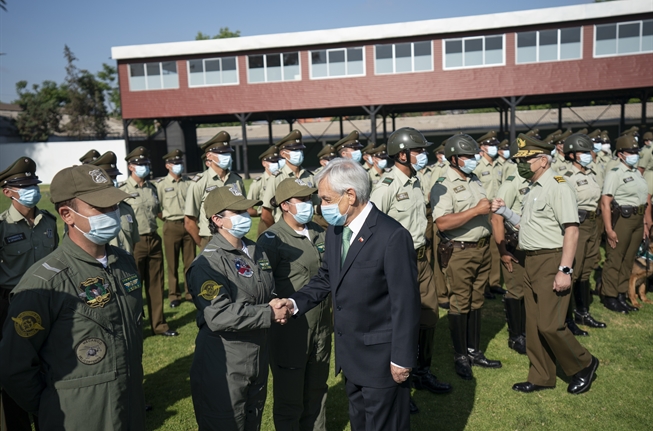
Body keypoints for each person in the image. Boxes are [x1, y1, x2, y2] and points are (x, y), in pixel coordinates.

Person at [275, 158, 420, 431]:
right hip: (351, 359)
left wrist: (402, 359)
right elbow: (326, 278)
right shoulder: (336, 231)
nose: (322, 206)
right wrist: (294, 303)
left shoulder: (392, 236)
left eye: (326, 198)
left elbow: (406, 304)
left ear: (350, 195)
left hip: (382, 362)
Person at [0, 164, 146, 429]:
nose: (112, 214)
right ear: (67, 214)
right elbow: (14, 368)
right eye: (100, 208)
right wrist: (57, 405)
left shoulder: (124, 263)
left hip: (129, 409)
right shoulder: (44, 283)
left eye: (114, 205)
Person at [186, 185, 286, 431]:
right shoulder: (207, 263)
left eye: (246, 208)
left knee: (251, 422)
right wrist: (269, 313)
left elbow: (264, 288)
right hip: (225, 361)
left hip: (255, 356)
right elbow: (219, 315)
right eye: (238, 211)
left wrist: (274, 301)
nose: (247, 215)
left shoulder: (254, 249)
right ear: (217, 219)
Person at [509, 133, 598, 395]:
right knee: (534, 324)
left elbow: (571, 230)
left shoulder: (558, 185)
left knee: (551, 324)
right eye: (518, 160)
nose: (520, 164)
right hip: (530, 261)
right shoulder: (532, 188)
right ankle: (541, 375)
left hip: (552, 260)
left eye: (526, 160)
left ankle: (584, 364)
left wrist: (565, 270)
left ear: (543, 161)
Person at [370, 127, 450, 411]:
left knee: (429, 316)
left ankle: (421, 372)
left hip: (421, 258)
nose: (423, 154)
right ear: (402, 154)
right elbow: (370, 230)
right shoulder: (385, 187)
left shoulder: (416, 181)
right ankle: (397, 385)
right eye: (418, 150)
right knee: (398, 324)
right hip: (396, 263)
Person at [257, 178, 332, 431]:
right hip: (291, 330)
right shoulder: (272, 239)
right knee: (290, 397)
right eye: (303, 200)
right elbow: (263, 288)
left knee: (318, 389)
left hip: (322, 327)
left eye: (310, 198)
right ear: (286, 205)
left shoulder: (320, 231)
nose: (310, 204)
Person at [431, 134, 502, 380]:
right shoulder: (443, 184)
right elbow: (442, 222)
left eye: (474, 155)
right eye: (468, 156)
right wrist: (476, 211)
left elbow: (479, 208)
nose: (473, 160)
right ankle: (460, 355)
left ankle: (474, 351)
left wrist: (490, 206)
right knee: (460, 302)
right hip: (460, 251)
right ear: (453, 158)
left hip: (481, 248)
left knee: (477, 301)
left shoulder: (473, 179)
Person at [0, 157, 58, 431]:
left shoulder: (48, 221)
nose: (30, 190)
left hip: (50, 301)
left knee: (52, 367)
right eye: (23, 186)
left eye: (33, 184)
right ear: (7, 191)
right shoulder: (2, 227)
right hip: (12, 305)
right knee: (17, 371)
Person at [120, 146, 177, 336]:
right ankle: (136, 327)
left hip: (153, 238)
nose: (144, 167)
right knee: (133, 286)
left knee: (156, 284)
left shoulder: (152, 188)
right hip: (135, 242)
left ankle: (159, 324)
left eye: (145, 164)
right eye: (140, 164)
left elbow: (158, 211)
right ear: (131, 167)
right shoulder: (123, 190)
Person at [600, 133, 652, 313]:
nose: (634, 154)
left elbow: (643, 200)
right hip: (622, 219)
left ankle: (621, 293)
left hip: (638, 220)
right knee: (615, 258)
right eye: (630, 152)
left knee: (628, 259)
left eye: (635, 151)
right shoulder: (615, 173)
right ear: (620, 154)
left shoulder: (636, 173)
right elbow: (605, 202)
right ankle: (609, 296)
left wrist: (645, 223)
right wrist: (608, 229)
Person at [561, 134, 606, 332]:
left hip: (592, 222)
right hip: (576, 224)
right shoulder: (567, 177)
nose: (588, 155)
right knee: (574, 270)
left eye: (589, 151)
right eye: (583, 152)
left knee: (587, 267)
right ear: (571, 155)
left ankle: (582, 312)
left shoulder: (590, 173)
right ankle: (567, 317)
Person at [491, 145, 528, 355]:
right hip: (514, 245)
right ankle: (516, 336)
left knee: (527, 290)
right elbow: (497, 218)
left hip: (531, 244)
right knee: (515, 290)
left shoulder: (531, 182)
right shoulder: (512, 183)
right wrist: (503, 250)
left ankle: (527, 330)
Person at [185, 131, 245, 250]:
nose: (227, 156)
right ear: (209, 156)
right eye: (222, 153)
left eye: (228, 152)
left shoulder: (237, 180)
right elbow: (189, 221)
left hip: (235, 236)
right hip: (210, 238)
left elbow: (242, 209)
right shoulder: (199, 183)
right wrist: (202, 243)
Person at [156, 149, 195, 308]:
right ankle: (174, 295)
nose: (178, 165)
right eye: (175, 163)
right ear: (167, 165)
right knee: (172, 263)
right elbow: (157, 207)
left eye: (180, 162)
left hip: (189, 224)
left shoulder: (189, 182)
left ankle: (190, 292)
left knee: (190, 261)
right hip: (171, 225)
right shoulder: (161, 185)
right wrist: (167, 217)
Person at [474, 130, 506, 299]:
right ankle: (484, 285)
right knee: (485, 248)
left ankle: (494, 283)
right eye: (490, 145)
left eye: (495, 145)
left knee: (497, 245)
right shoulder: (478, 167)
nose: (493, 148)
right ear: (482, 147)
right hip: (484, 210)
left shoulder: (499, 165)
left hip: (498, 210)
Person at [261, 130, 315, 228]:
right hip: (285, 231)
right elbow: (266, 214)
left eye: (300, 150)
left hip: (307, 229)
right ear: (283, 154)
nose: (298, 153)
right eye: (294, 150)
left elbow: (316, 204)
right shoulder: (276, 178)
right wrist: (278, 232)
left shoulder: (310, 176)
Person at [89, 151, 140, 254]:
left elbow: (132, 243)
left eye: (114, 177)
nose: (113, 181)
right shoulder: (90, 212)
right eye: (109, 177)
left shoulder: (126, 209)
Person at [250, 145, 283, 235]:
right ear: (264, 163)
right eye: (272, 161)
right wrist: (259, 212)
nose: (275, 164)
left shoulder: (282, 177)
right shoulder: (258, 183)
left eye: (277, 161)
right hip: (266, 221)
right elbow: (249, 208)